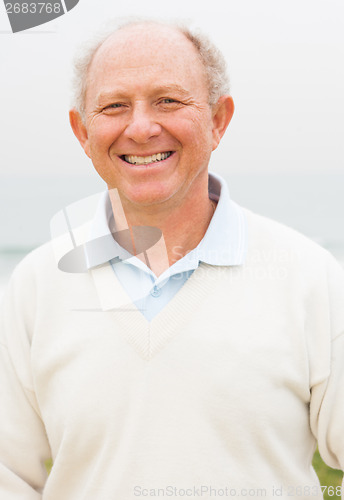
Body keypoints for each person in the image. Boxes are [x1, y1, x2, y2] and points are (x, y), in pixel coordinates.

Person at [0, 19, 343, 500]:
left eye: (168, 100)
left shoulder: (310, 278)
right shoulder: (35, 286)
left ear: (218, 120)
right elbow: (9, 476)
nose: (140, 128)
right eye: (115, 105)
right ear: (82, 131)